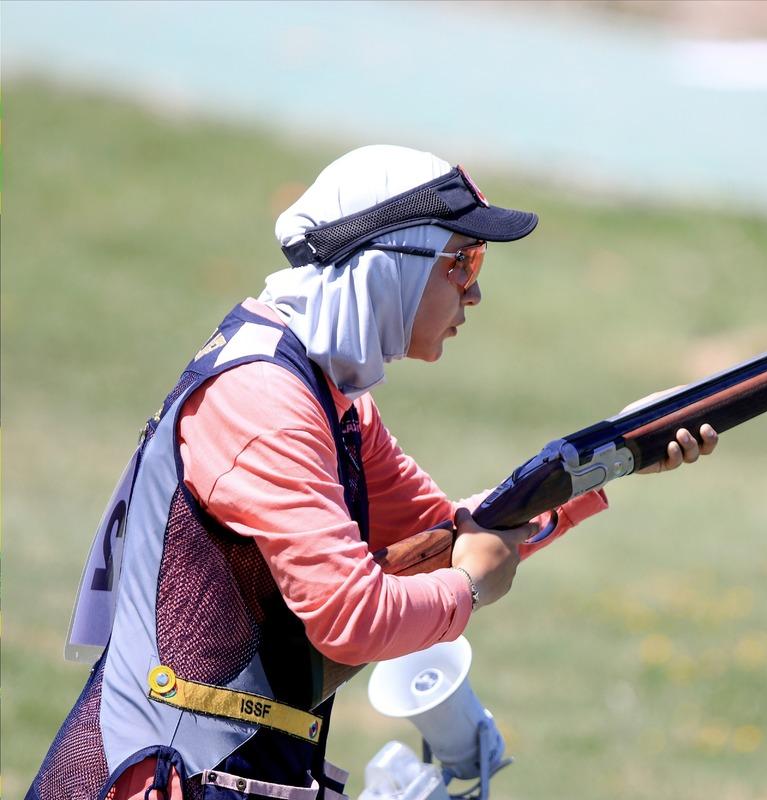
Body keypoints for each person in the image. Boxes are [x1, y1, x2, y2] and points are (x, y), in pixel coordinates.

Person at [29, 146, 718, 800]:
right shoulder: (264, 401)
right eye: (463, 262)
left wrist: (616, 451)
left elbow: (446, 535)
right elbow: (352, 617)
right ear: (391, 266)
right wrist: (469, 589)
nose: (475, 292)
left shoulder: (330, 399)